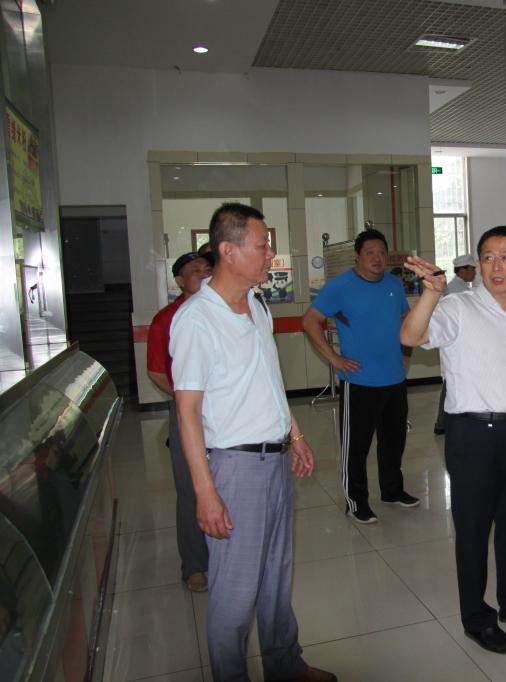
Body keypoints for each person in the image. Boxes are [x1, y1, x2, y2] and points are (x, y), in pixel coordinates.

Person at [170, 203, 333, 682]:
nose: (270, 255)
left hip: (275, 459)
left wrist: (294, 434)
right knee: (235, 595)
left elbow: (268, 382)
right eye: (262, 246)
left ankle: (285, 665)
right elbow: (187, 412)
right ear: (228, 250)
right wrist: (205, 492)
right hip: (235, 469)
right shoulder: (197, 319)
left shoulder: (256, 307)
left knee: (276, 579)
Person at [400, 225, 506, 656]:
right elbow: (410, 336)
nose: (496, 266)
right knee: (473, 530)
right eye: (488, 257)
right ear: (478, 263)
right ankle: (476, 617)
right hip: (473, 434)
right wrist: (431, 293)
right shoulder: (457, 307)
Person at [301, 228, 418, 525]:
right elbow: (310, 321)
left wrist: (406, 355)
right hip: (360, 381)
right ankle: (356, 501)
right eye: (370, 253)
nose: (377, 258)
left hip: (394, 379)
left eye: (382, 253)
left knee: (394, 442)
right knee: (356, 447)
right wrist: (334, 358)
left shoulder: (393, 284)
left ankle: (392, 491)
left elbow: (405, 321)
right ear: (357, 256)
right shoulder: (340, 286)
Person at [146, 250, 212, 593]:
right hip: (189, 412)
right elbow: (156, 372)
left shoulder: (222, 311)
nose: (203, 273)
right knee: (191, 488)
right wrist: (187, 400)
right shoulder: (166, 319)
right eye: (195, 270)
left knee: (228, 483)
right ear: (179, 281)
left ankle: (226, 558)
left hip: (226, 411)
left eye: (207, 268)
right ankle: (195, 565)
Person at [433, 253, 475, 435]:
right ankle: (442, 423)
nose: (474, 273)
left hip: (458, 342)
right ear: (463, 270)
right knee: (452, 381)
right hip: (457, 343)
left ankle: (443, 422)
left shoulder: (460, 287)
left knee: (453, 380)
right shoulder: (457, 290)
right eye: (472, 269)